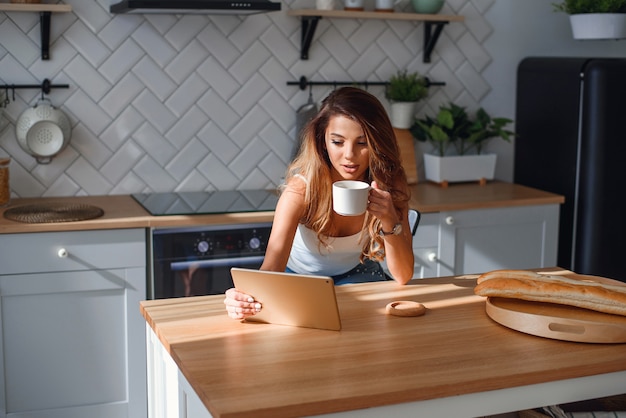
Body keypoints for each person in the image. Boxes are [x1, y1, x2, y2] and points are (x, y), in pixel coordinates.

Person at [224, 86, 414, 319]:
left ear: (376, 143)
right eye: (338, 142)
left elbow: (403, 275)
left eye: (362, 143)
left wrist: (389, 219)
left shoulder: (389, 183)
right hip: (300, 280)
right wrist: (243, 302)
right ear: (323, 140)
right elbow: (271, 267)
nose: (349, 155)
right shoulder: (300, 190)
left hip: (357, 273)